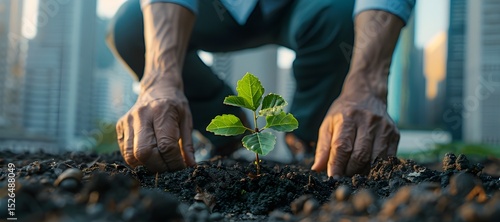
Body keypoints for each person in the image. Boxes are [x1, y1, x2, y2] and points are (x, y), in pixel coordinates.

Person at [107, 0, 415, 177]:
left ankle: (309, 145)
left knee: (341, 19)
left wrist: (369, 85)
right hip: (217, 7)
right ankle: (227, 139)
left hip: (310, 6)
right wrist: (158, 79)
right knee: (132, 29)